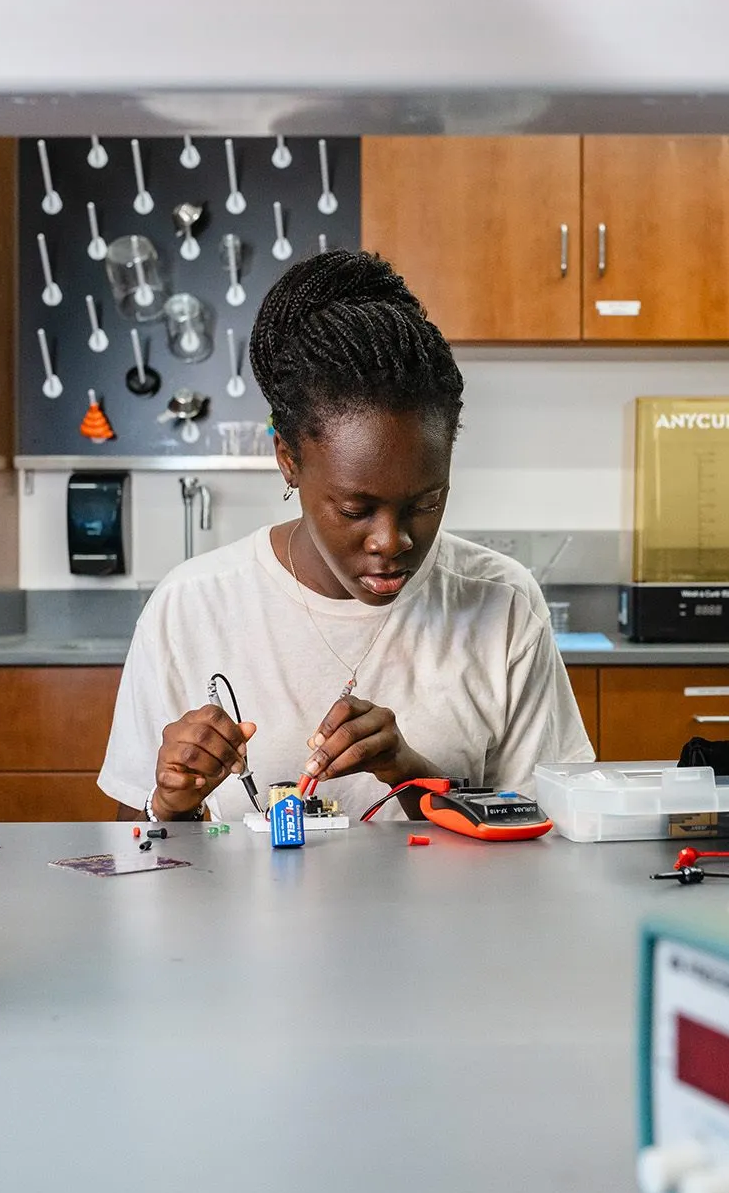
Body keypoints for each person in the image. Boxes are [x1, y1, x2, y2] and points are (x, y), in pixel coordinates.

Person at [98, 250, 593, 822]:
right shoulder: (192, 606)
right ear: (288, 460)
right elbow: (136, 852)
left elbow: (550, 836)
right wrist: (173, 801)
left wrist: (412, 776)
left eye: (426, 503)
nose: (393, 541)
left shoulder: (501, 604)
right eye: (357, 509)